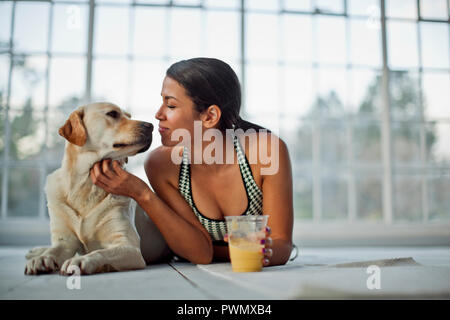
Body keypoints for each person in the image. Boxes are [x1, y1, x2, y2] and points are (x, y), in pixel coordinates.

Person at [90, 57, 294, 267]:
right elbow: (201, 255)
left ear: (210, 116)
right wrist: (141, 193)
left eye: (170, 104)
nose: (158, 114)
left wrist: (259, 252)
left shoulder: (267, 151)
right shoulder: (161, 164)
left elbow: (282, 244)